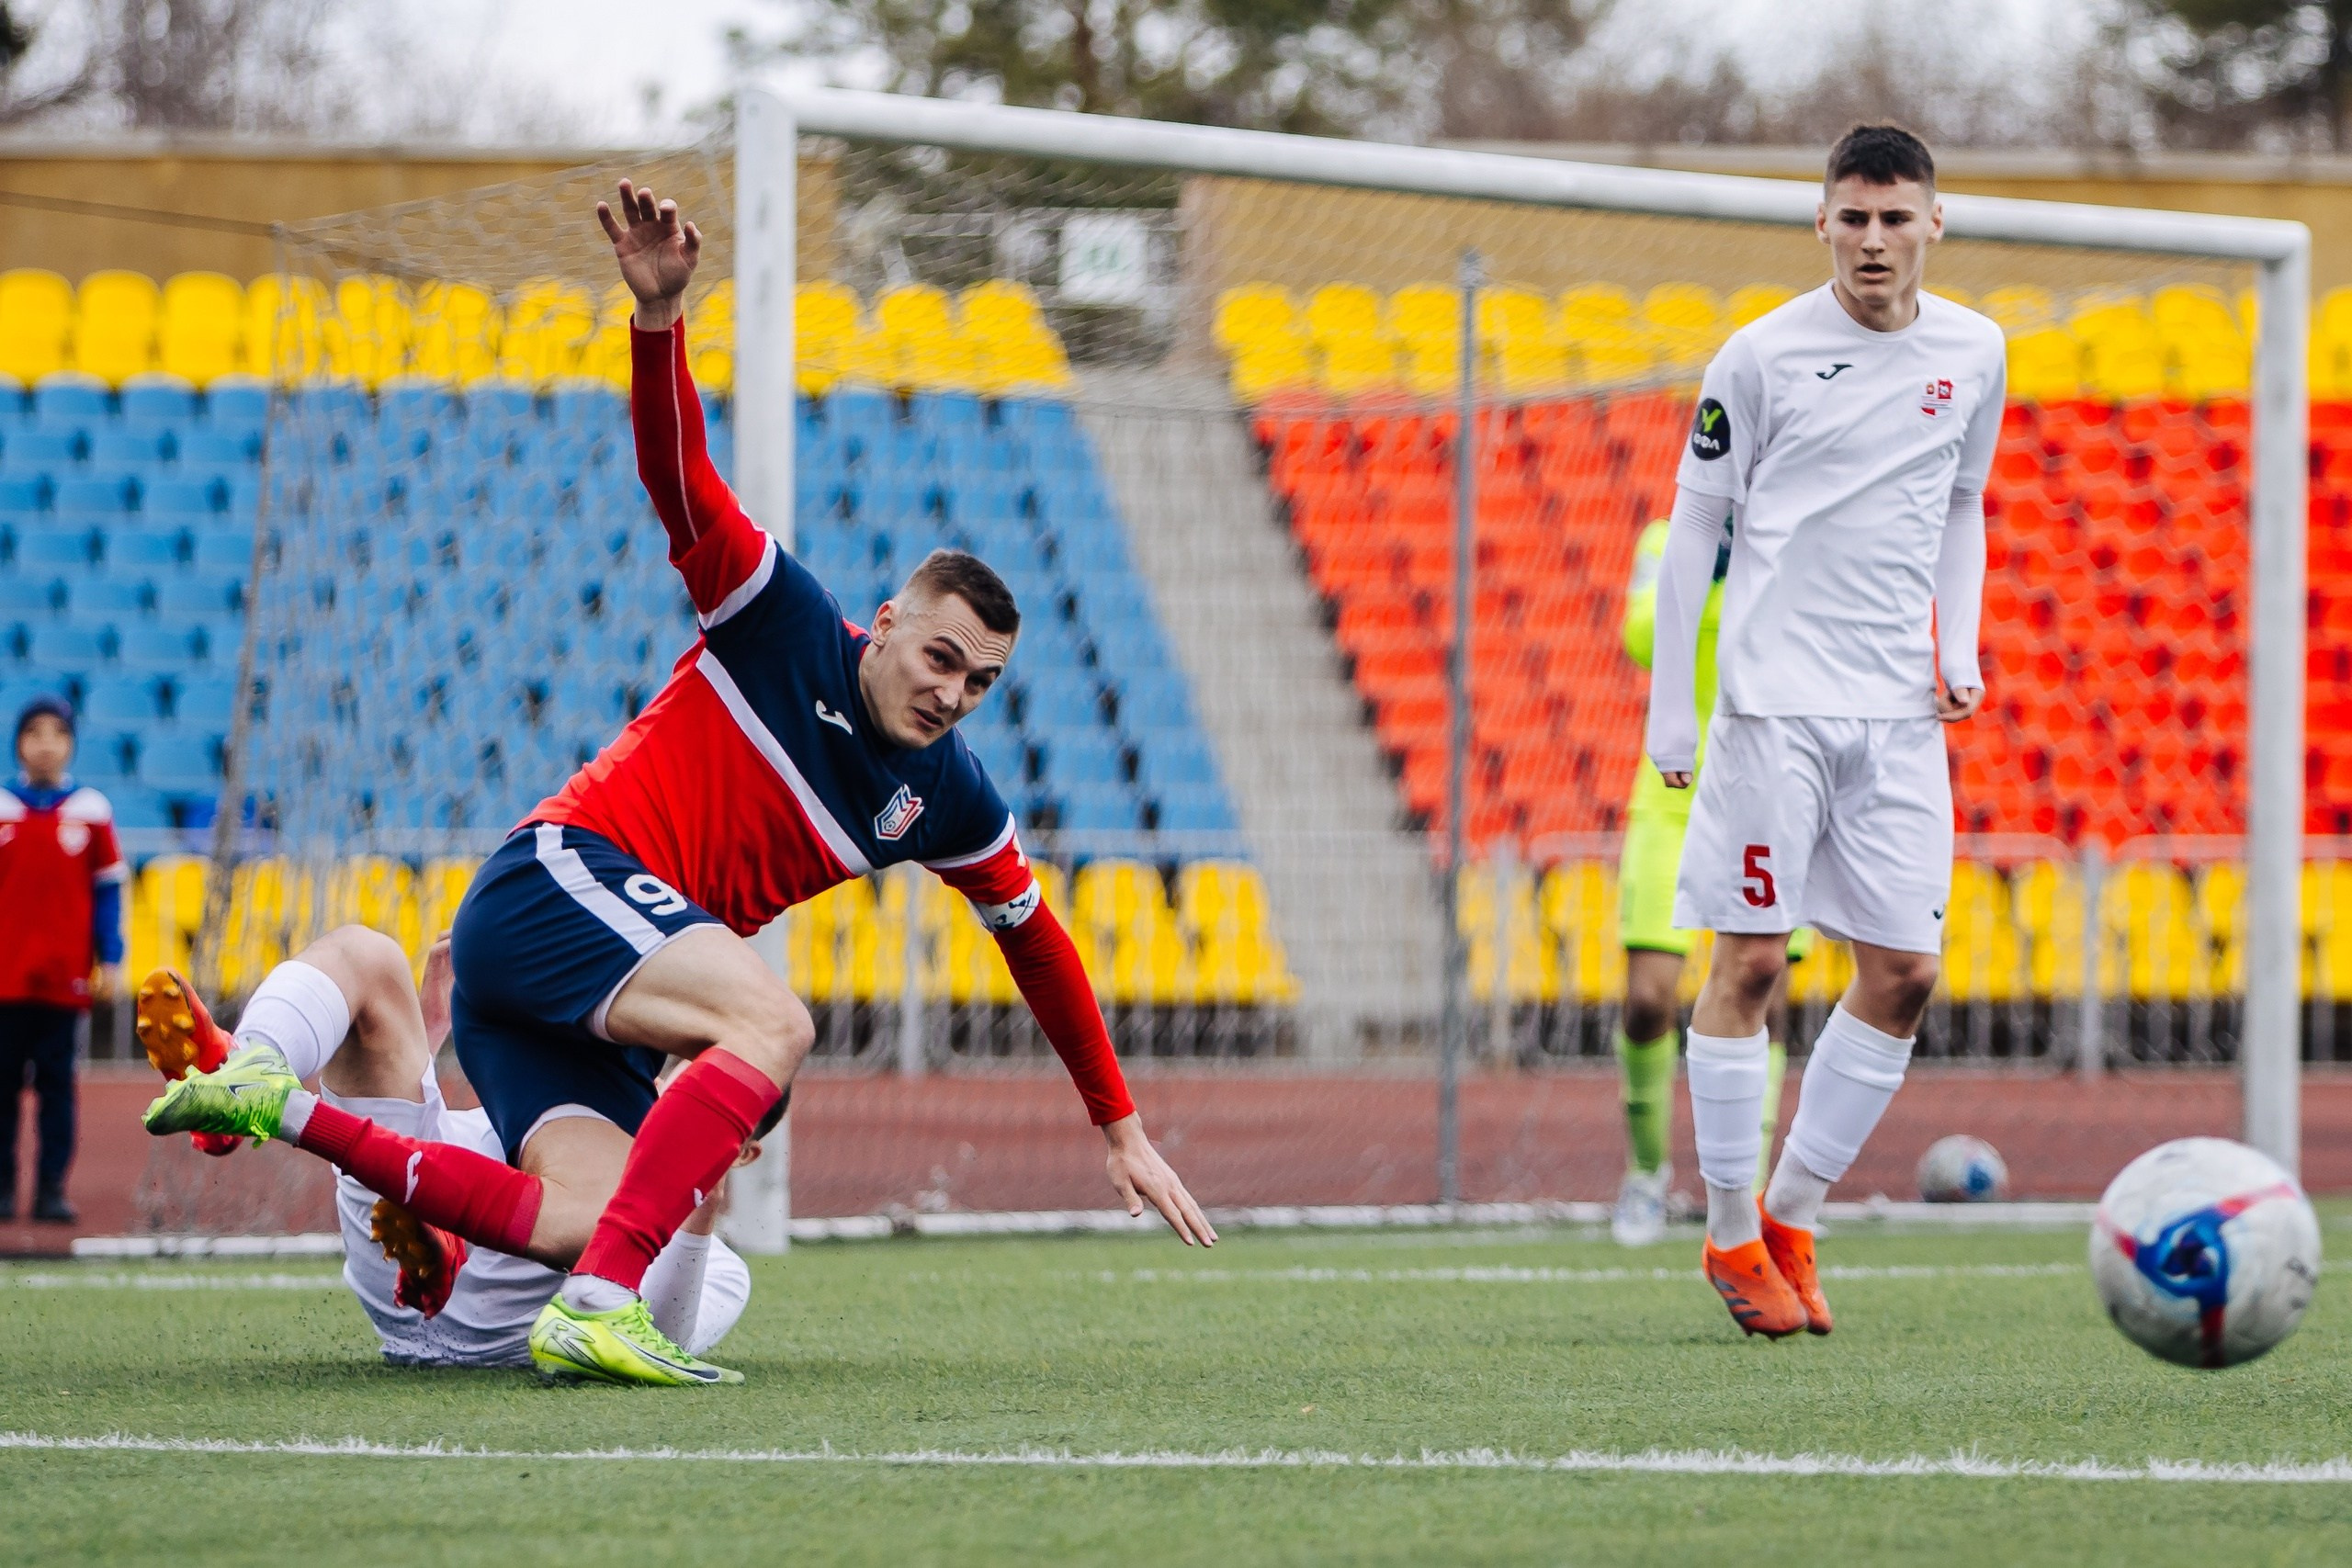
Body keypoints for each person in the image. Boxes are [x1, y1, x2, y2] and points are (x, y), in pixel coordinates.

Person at [150, 177, 1213, 1389]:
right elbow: (677, 478)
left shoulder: (950, 795)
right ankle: (602, 1302)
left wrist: (1119, 1126)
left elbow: (1037, 944)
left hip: (576, 1010)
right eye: (941, 657)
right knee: (775, 1021)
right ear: (883, 627)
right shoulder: (782, 620)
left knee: (583, 1212)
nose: (954, 693)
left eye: (982, 682)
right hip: (566, 879)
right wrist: (659, 322)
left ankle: (276, 1102)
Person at [1645, 124, 1998, 1338]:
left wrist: (1959, 645)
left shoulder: (1976, 351)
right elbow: (1696, 529)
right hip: (1774, 708)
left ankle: (1793, 1211)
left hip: (1899, 716)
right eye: (1853, 217)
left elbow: (1963, 505)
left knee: (1904, 973)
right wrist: (1672, 707)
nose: (1874, 239)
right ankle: (1731, 1229)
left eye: (1896, 218)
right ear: (1822, 224)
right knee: (1750, 963)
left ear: (1933, 226)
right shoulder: (1759, 356)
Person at [135, 933, 761, 1367]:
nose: (668, 1078)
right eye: (678, 1066)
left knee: (612, 1186)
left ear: (744, 1145)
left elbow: (664, 1339)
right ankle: (247, 1070)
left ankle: (438, 1223)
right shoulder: (562, 1104)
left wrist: (699, 1209)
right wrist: (427, 1038)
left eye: (698, 1081)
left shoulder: (719, 1266)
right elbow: (431, 1134)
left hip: (497, 1333)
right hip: (402, 1221)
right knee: (370, 956)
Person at [1611, 522, 1813, 1247]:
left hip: (1767, 795)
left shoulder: (1795, 532)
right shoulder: (1668, 540)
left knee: (1766, 993)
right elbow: (1640, 637)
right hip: (1670, 800)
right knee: (1647, 999)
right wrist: (1708, 573)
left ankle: (1746, 1193)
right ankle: (1646, 1172)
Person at [1, 696, 125, 1223]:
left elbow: (107, 891)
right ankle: (3, 1189)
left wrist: (112, 957)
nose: (46, 744)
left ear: (71, 744)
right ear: (19, 744)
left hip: (64, 982)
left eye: (57, 733)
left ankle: (51, 1188)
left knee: (58, 1091)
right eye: (34, 733)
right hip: (5, 982)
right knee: (1, 1090)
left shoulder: (92, 811)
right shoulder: (2, 808)